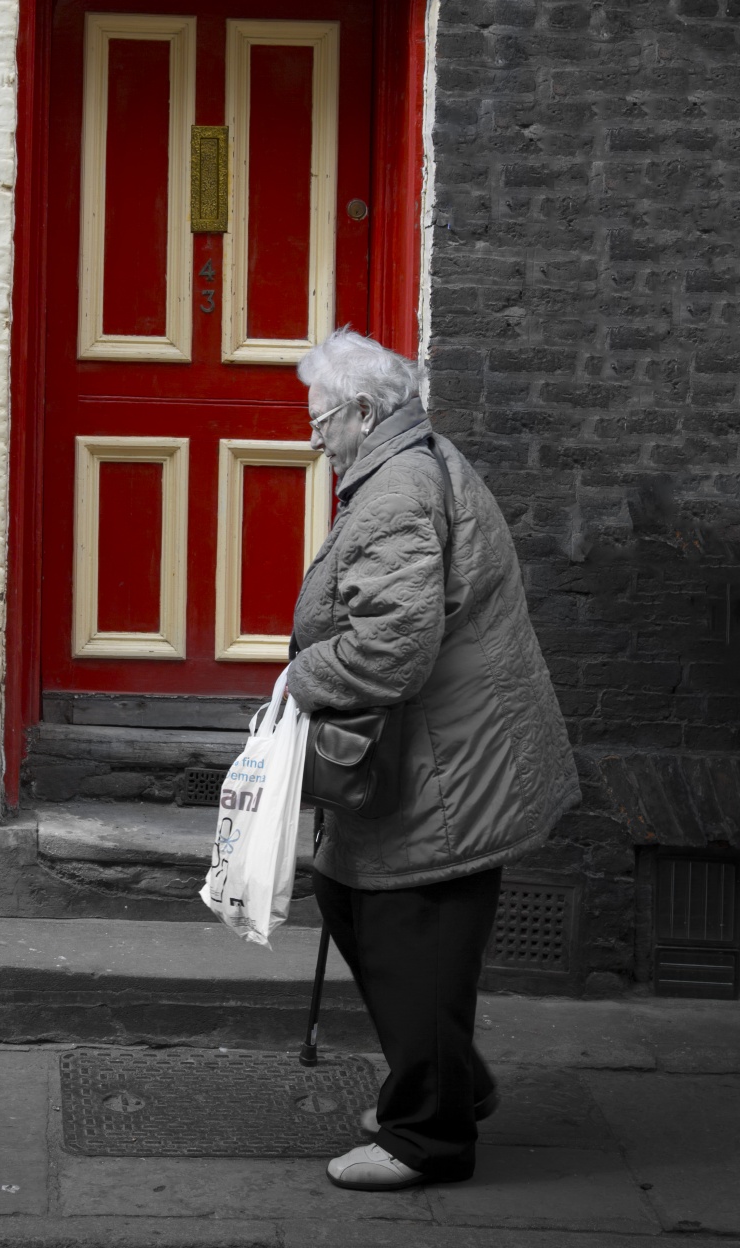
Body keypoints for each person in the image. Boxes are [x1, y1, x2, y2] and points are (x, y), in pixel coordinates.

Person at [286, 328, 579, 1192]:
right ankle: (451, 1084)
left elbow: (393, 650)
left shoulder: (397, 491)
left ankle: (429, 1139)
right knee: (357, 900)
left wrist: (302, 676)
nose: (312, 436)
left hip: (450, 770)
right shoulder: (409, 459)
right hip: (448, 754)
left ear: (364, 412)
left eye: (321, 419)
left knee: (409, 935)